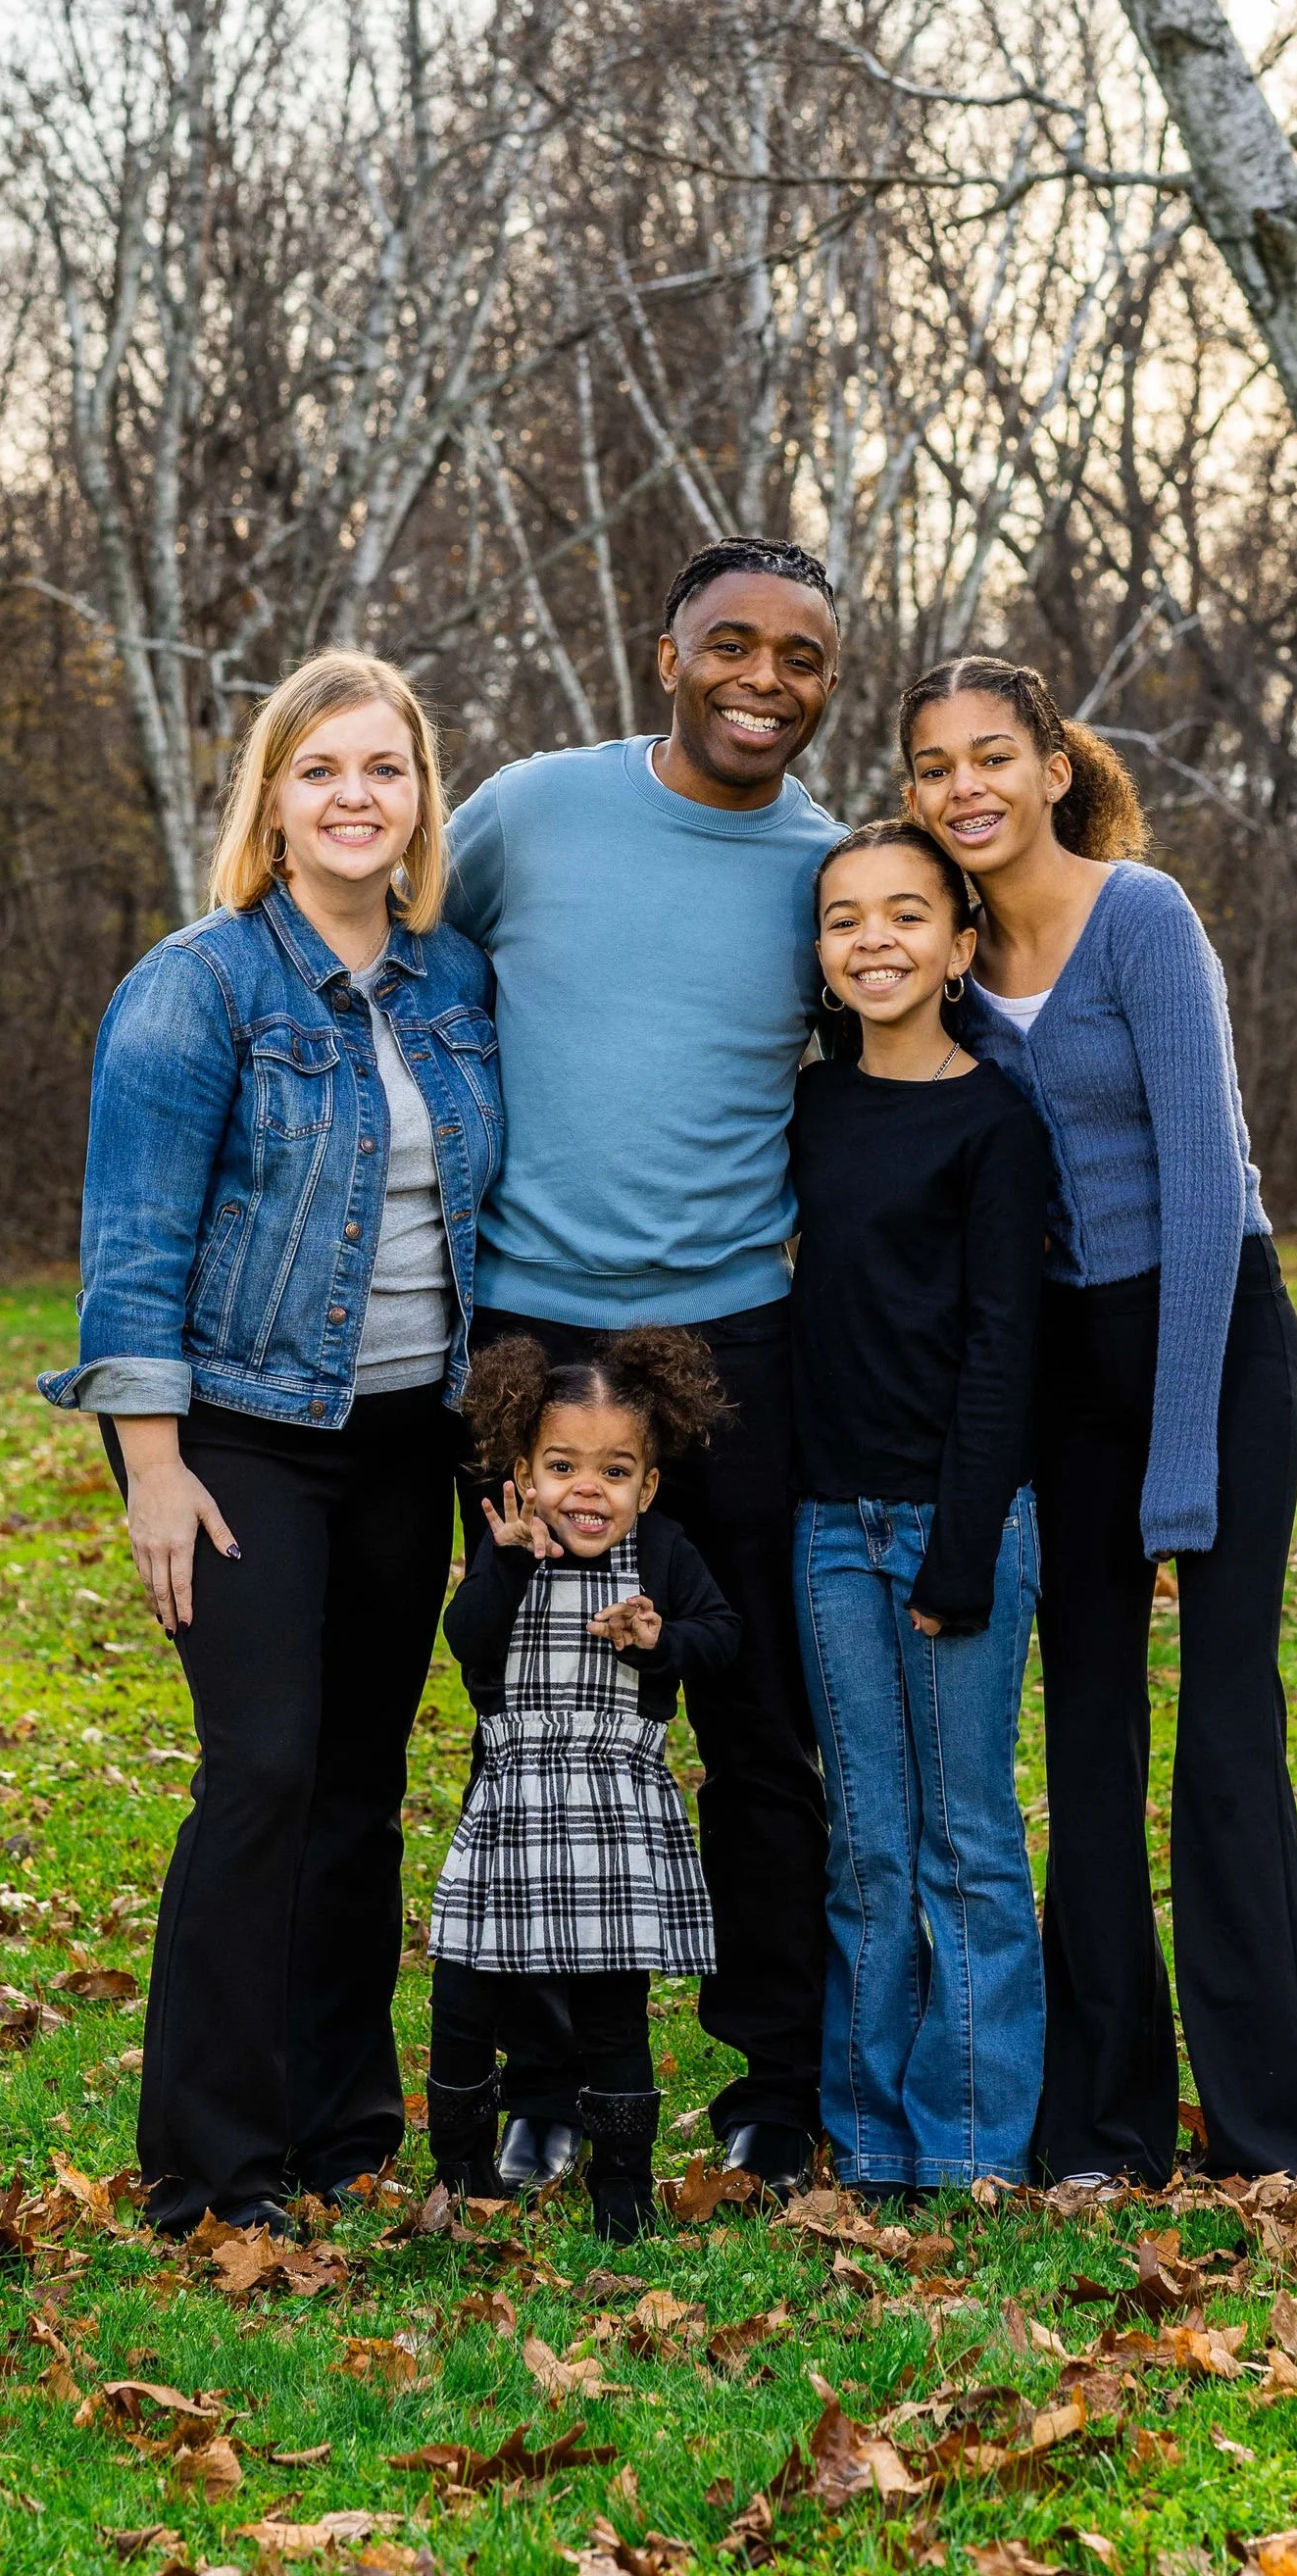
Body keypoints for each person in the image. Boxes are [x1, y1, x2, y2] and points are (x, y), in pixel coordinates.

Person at [38, 650, 502, 2235]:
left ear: (419, 796)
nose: (355, 797)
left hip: (403, 1437)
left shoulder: (454, 984)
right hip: (238, 1432)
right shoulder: (199, 983)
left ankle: (335, 2128)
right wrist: (150, 1465)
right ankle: (208, 2167)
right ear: (273, 801)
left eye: (383, 768)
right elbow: (134, 1243)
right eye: (320, 771)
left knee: (362, 1784)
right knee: (263, 1771)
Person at [901, 653, 1297, 2188]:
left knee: (1222, 1730)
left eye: (993, 755)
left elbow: (1211, 1185)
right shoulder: (942, 961)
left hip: (1210, 1335)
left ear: (1054, 767)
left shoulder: (1143, 919)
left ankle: (1273, 2129)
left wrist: (1180, 1470)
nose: (967, 786)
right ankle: (1105, 2124)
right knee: (1085, 1736)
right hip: (1062, 1372)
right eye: (937, 764)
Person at [443, 534, 840, 2196]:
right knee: (536, 1717)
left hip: (731, 1340)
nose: (763, 679)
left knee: (754, 1719)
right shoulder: (528, 811)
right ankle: (546, 2079)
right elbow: (409, 963)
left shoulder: (829, 866)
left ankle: (773, 2078)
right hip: (527, 1336)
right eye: (730, 643)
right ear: (661, 650)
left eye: (801, 656)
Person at [789, 819, 1051, 2196]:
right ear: (822, 957)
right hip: (830, 1531)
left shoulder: (994, 1123)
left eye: (905, 915)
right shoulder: (815, 1109)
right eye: (844, 919)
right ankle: (872, 2134)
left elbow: (1008, 1347)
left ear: (960, 948)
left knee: (968, 1848)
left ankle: (970, 2143)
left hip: (960, 1530)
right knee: (868, 1852)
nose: (873, 939)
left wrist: (960, 1543)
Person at [426, 1329, 739, 2237]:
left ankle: (623, 2190)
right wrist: (512, 1564)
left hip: (615, 1818)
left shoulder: (665, 1557)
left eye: (614, 1470)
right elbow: (468, 1640)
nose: (587, 1490)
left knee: (613, 2012)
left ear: (647, 1485)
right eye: (562, 1465)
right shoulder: (509, 1552)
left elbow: (724, 1637)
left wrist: (661, 1640)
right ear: (522, 1471)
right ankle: (464, 2173)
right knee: (465, 1992)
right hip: (513, 1807)